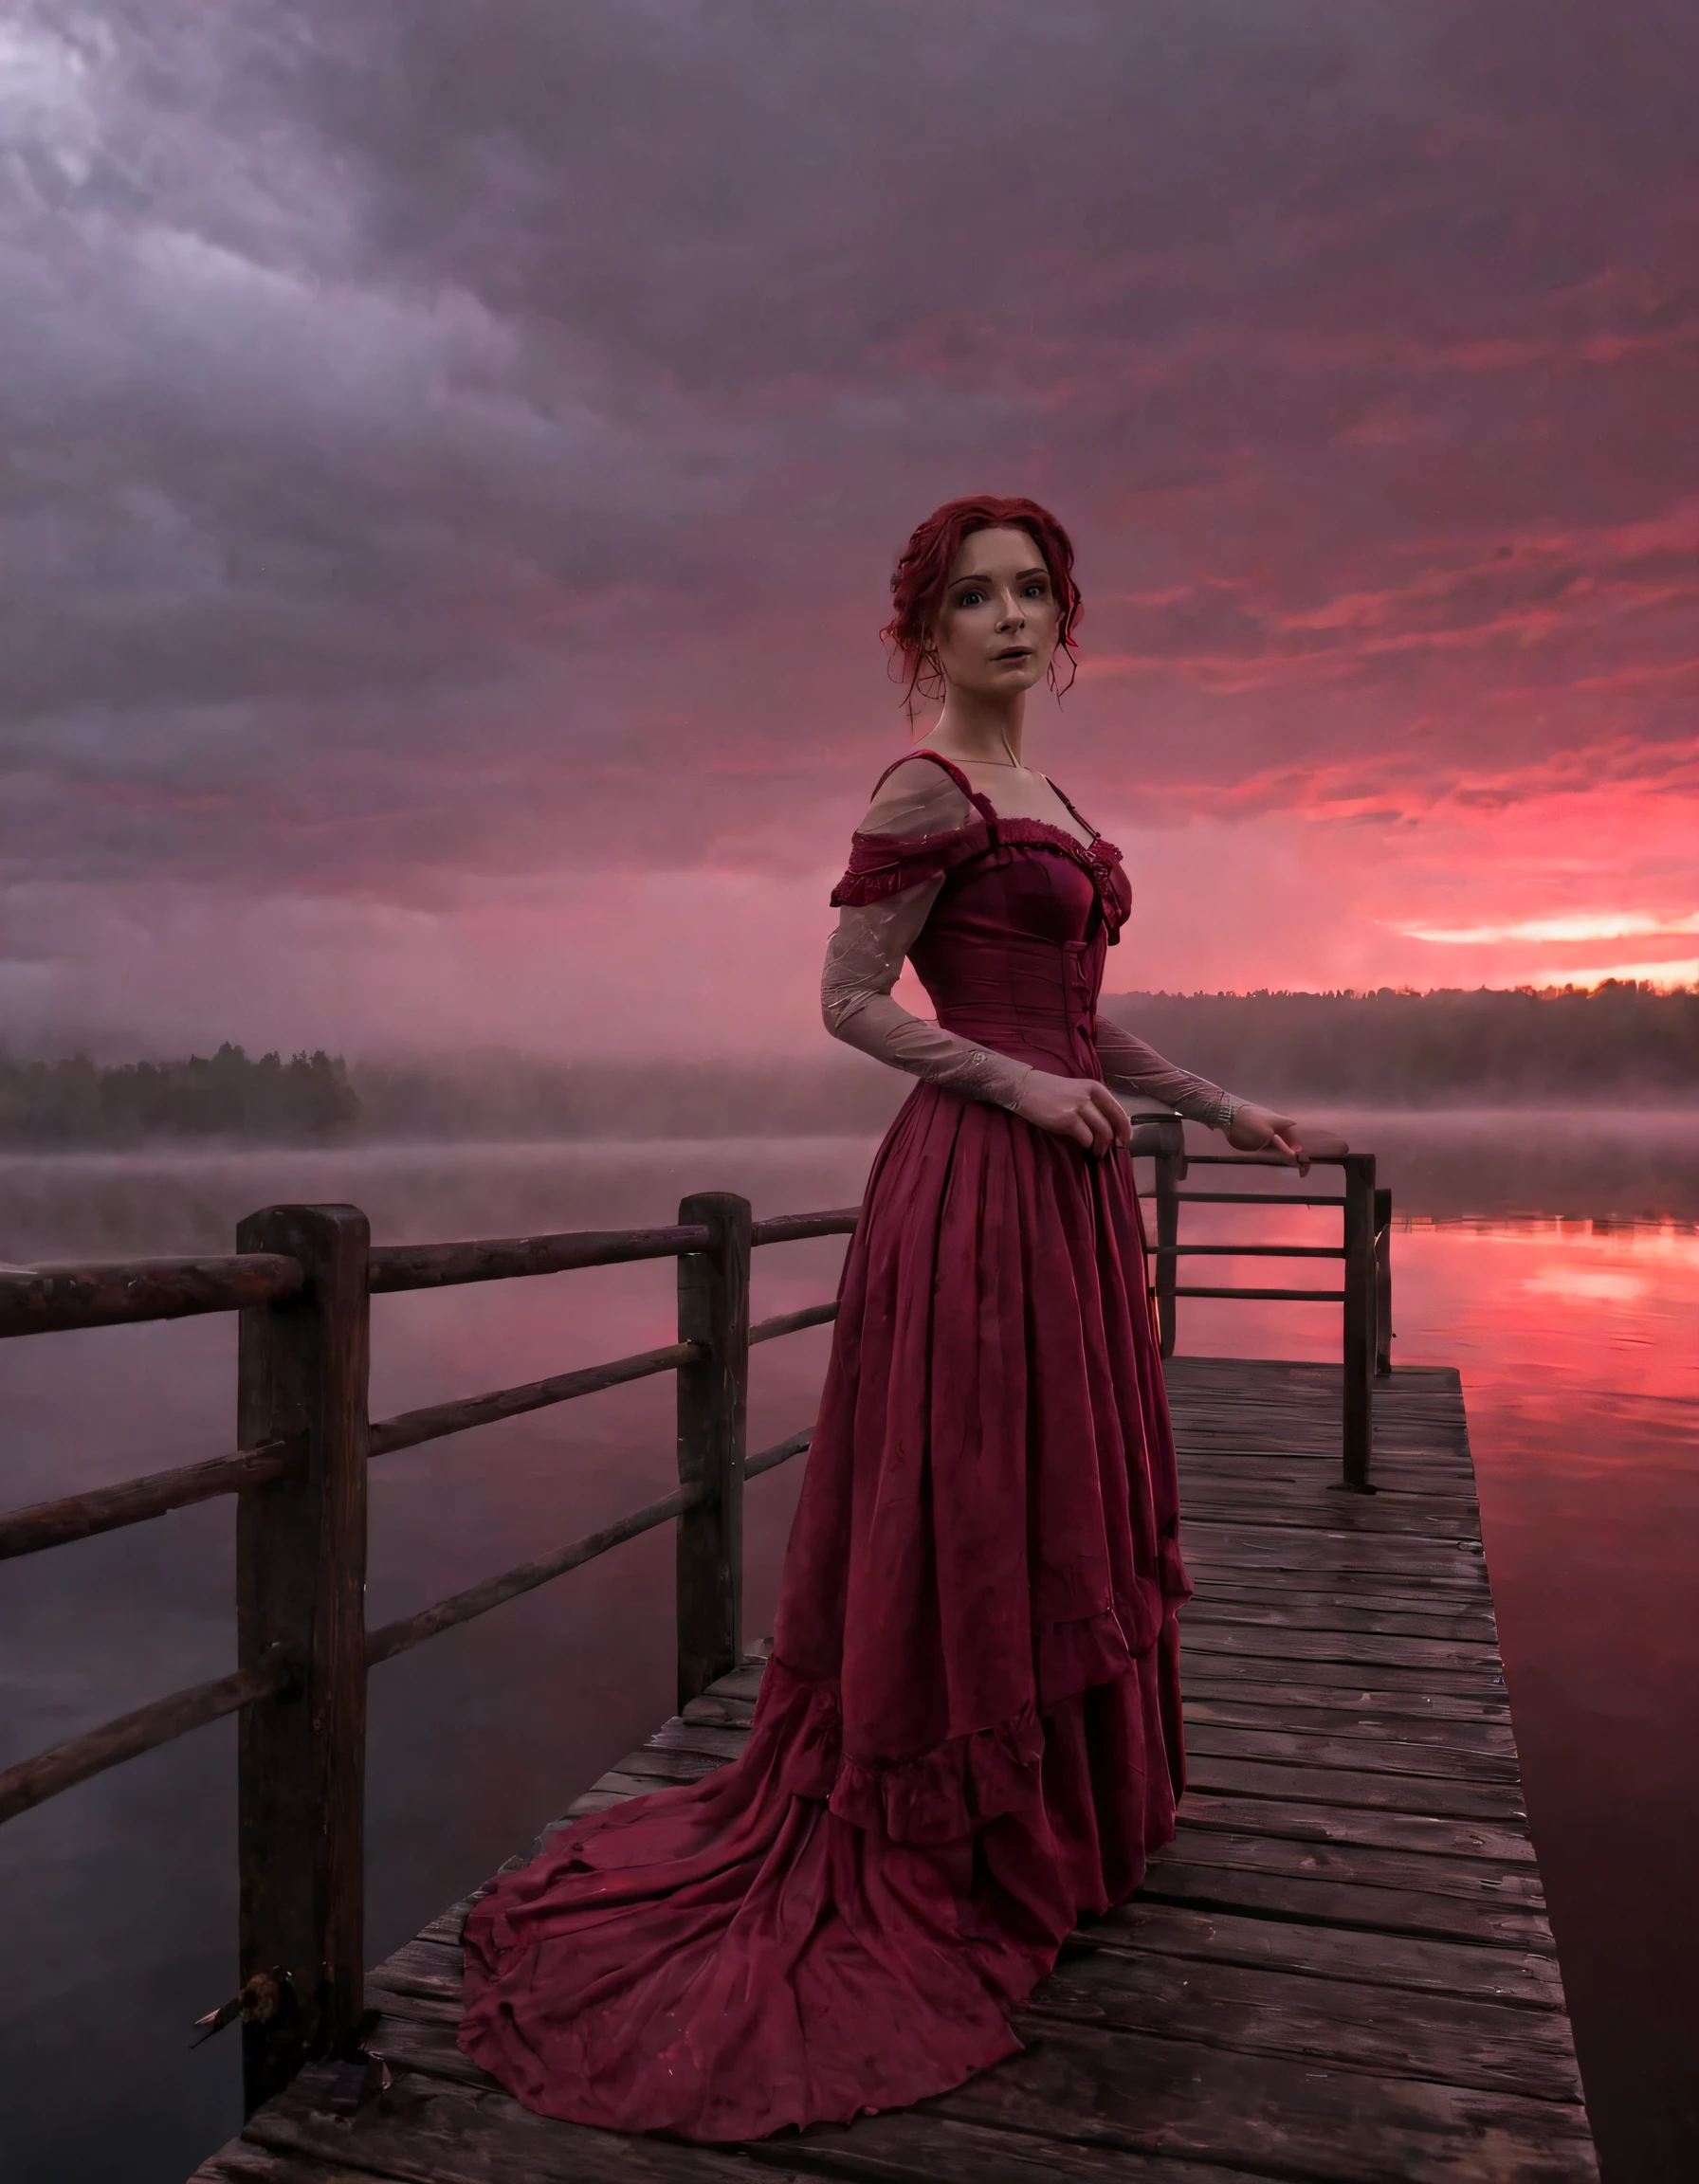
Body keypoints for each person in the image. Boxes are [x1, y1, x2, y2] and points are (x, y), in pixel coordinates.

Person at [460, 495, 1344, 2139]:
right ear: (923, 633)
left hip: (1068, 1202)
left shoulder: (1053, 799)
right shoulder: (922, 788)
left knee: (1067, 1501)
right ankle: (960, 1839)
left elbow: (1088, 1028)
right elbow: (851, 1001)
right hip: (973, 1200)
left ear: (1062, 621)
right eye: (972, 598)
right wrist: (1010, 1083)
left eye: (1031, 593)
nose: (1007, 619)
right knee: (975, 1504)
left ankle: (1064, 1831)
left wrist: (1223, 1112)